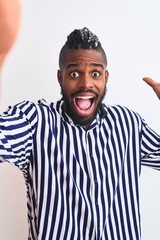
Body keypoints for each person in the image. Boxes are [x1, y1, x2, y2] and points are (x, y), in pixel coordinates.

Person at [0, 16, 160, 239]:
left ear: (106, 77)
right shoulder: (34, 121)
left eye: (95, 73)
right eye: (74, 73)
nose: (86, 84)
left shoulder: (129, 124)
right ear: (60, 78)